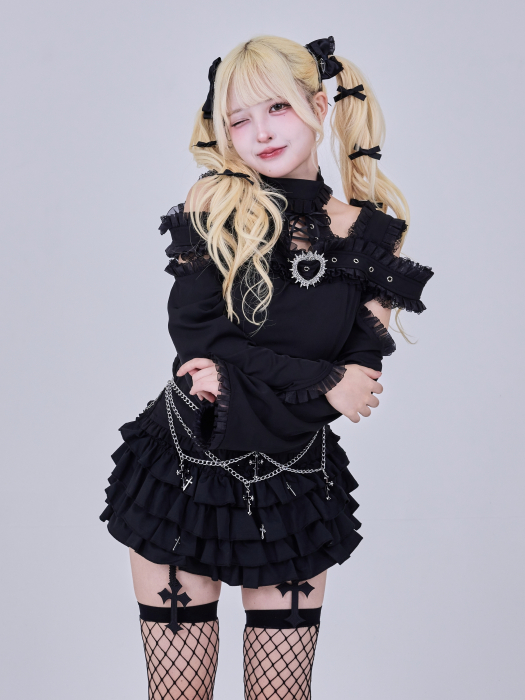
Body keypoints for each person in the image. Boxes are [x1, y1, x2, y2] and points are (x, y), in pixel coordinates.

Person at [100, 34, 434, 700]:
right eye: (238, 118)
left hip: (293, 484)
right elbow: (201, 341)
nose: (260, 132)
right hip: (181, 471)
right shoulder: (213, 203)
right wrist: (321, 386)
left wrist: (254, 382)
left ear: (318, 105)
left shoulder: (373, 235)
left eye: (277, 107)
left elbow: (358, 373)